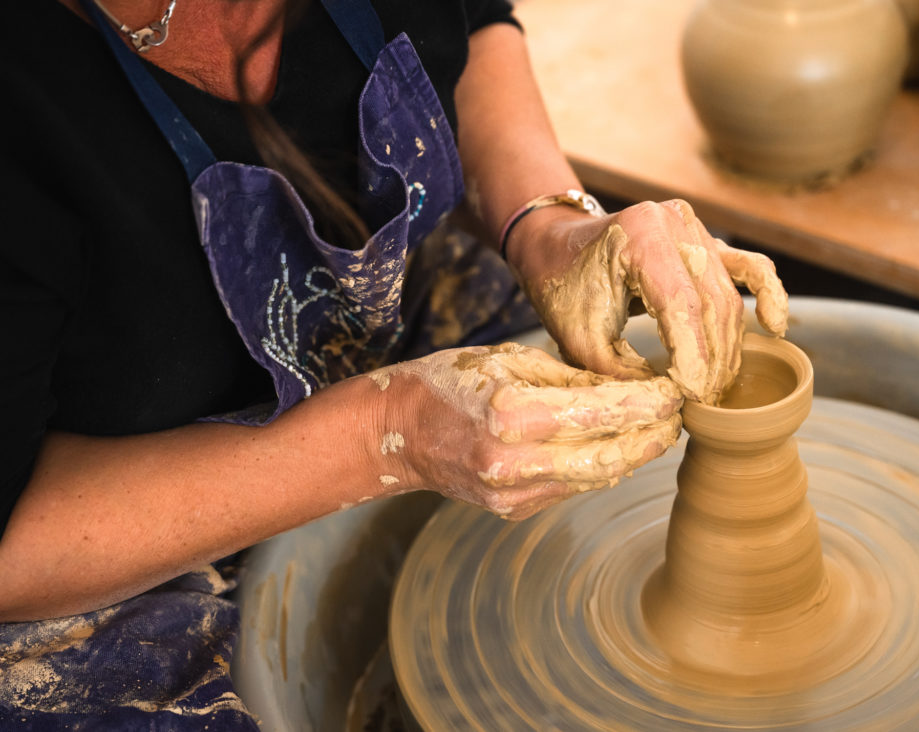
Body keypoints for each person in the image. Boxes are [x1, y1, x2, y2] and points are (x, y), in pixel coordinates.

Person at [0, 0, 788, 727]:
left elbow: (474, 23)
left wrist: (549, 226)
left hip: (393, 318)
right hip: (96, 526)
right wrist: (387, 432)